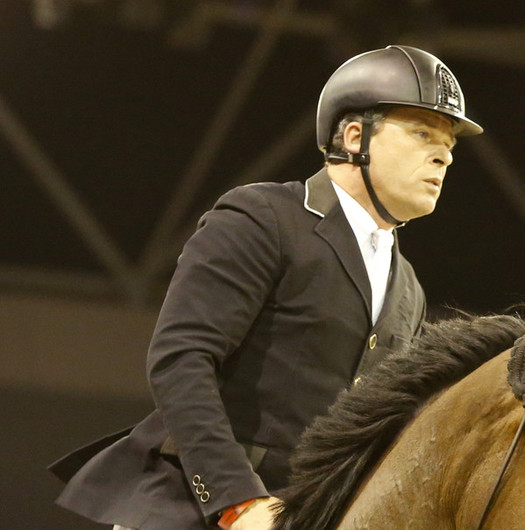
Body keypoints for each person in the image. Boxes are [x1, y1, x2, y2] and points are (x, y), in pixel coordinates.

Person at [49, 44, 483, 529]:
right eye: (423, 133)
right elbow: (181, 358)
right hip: (195, 509)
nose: (443, 155)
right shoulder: (264, 217)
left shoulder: (409, 288)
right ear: (356, 136)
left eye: (449, 145)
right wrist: (235, 500)